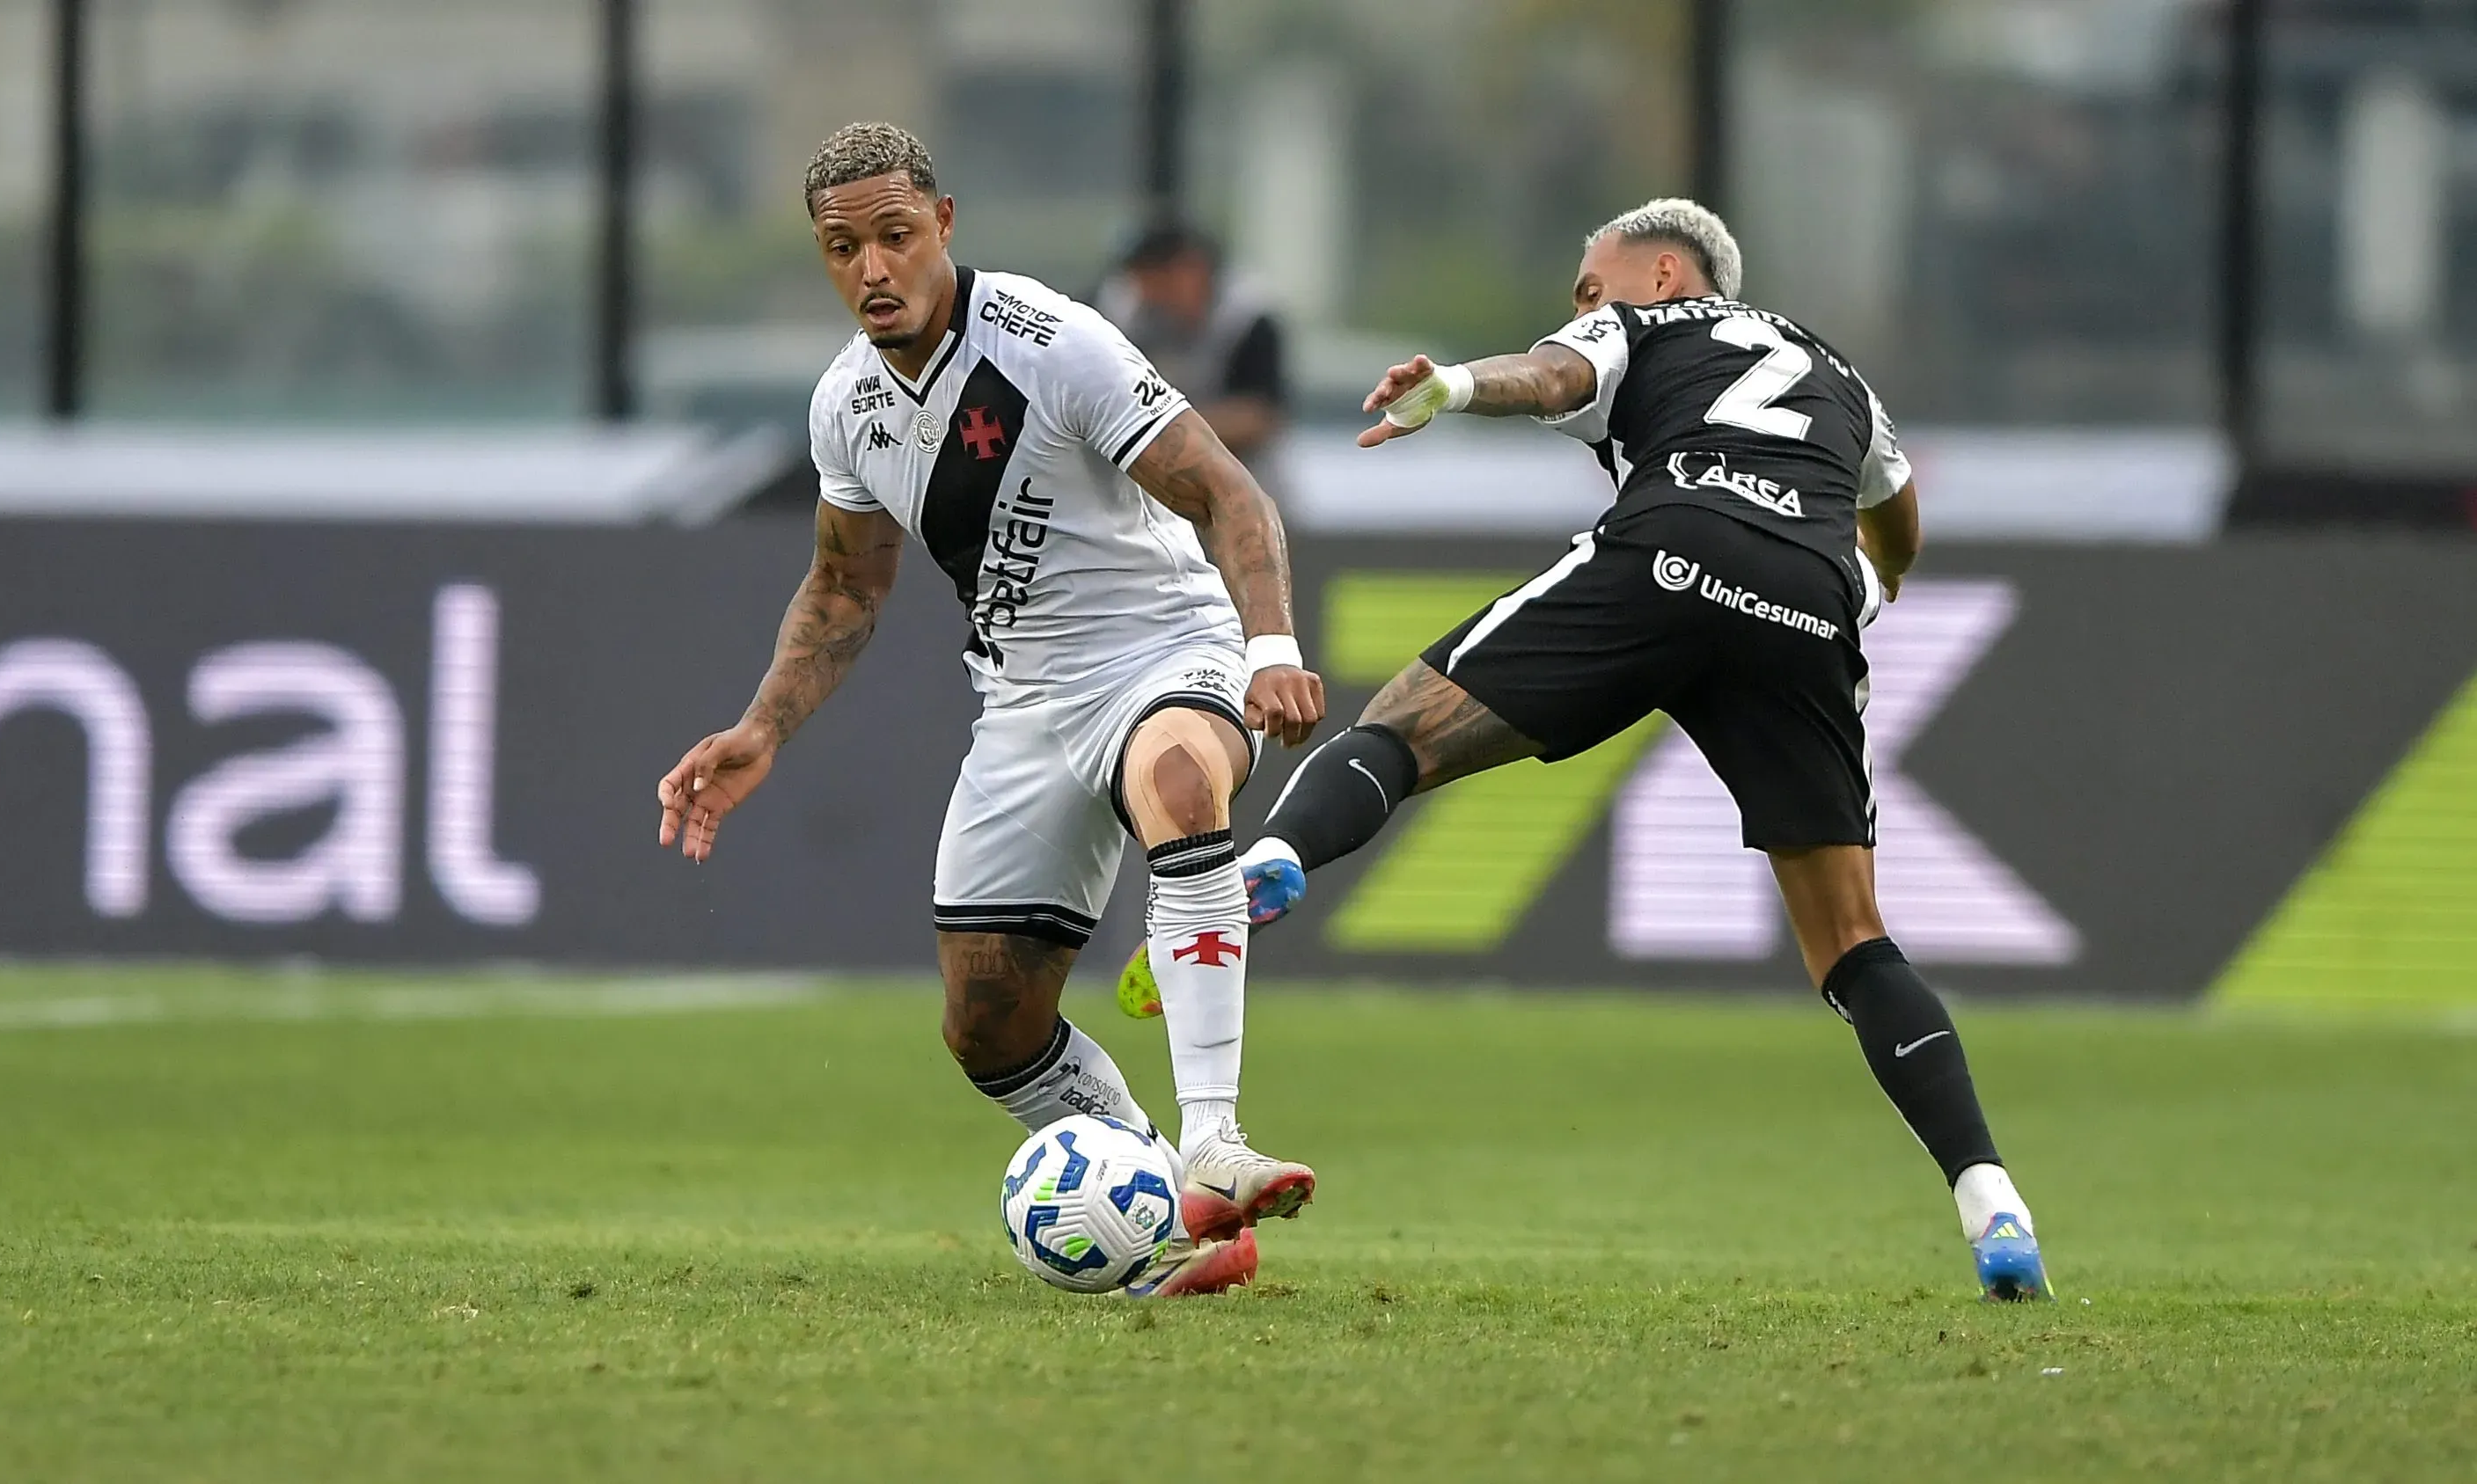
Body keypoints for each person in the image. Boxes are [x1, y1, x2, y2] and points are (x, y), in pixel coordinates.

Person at [1143, 197, 2055, 1302]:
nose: (1580, 303)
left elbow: (1552, 376)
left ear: (1666, 270)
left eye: (1593, 282)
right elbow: (1896, 515)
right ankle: (1990, 1197)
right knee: (1855, 943)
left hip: (1667, 556)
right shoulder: (1840, 376)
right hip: (1807, 610)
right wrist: (1874, 580)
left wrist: (1456, 389)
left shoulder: (1651, 325)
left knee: (1399, 729)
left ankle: (1270, 862)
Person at [655, 122, 1327, 1298]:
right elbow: (847, 582)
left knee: (1178, 777)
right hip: (1022, 697)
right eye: (841, 246)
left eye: (896, 236)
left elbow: (1229, 492)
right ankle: (1172, 1216)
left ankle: (1214, 1136)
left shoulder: (1052, 343)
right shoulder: (846, 408)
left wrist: (1270, 646)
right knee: (987, 1021)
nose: (872, 268)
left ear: (945, 224)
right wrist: (763, 726)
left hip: (1165, 645)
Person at [1098, 224, 1289, 482]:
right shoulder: (1117, 309)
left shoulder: (1246, 317)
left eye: (1161, 273)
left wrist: (1160, 426)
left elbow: (1260, 416)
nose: (1149, 289)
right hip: (1142, 483)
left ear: (1194, 268)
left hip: (1242, 476)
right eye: (1142, 275)